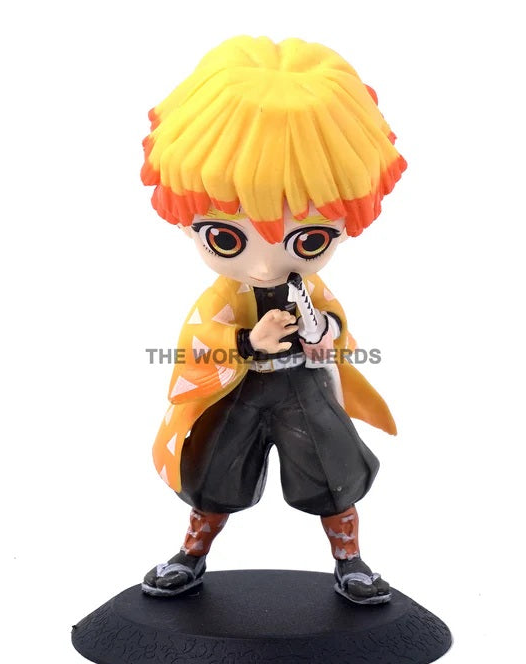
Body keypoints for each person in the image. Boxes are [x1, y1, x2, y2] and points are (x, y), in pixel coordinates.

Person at [139, 35, 406, 604]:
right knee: (212, 475)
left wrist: (326, 332)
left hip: (302, 388)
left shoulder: (312, 289)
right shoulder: (224, 297)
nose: (264, 265)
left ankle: (350, 561)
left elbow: (337, 324)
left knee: (333, 474)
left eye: (307, 240)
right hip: (237, 391)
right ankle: (192, 553)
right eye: (226, 237)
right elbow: (196, 342)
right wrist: (244, 340)